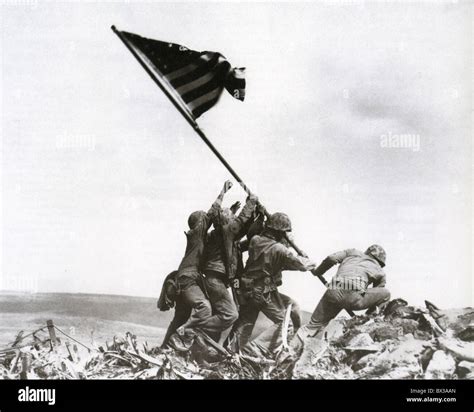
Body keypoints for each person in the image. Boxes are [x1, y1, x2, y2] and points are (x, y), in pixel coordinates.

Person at [229, 212, 317, 352]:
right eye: (284, 233)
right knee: (285, 323)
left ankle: (231, 351)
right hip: (262, 291)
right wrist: (310, 261)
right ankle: (255, 350)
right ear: (279, 232)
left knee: (247, 322)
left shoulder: (255, 240)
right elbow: (300, 265)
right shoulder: (279, 249)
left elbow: (277, 263)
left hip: (248, 289)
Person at [167, 181, 232, 350]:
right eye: (204, 220)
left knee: (181, 315)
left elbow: (217, 221)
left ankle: (167, 346)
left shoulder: (200, 237)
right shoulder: (196, 234)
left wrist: (231, 212)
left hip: (191, 278)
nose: (207, 221)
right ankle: (183, 334)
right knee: (204, 307)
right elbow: (211, 214)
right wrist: (223, 192)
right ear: (199, 223)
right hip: (187, 278)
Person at [297, 244, 390, 342]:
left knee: (311, 327)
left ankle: (288, 352)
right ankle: (366, 322)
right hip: (353, 297)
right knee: (386, 294)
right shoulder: (380, 271)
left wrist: (318, 272)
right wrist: (366, 316)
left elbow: (331, 258)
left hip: (333, 291)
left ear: (367, 252)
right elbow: (377, 294)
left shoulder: (352, 252)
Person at [200, 192, 259, 341]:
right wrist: (251, 203)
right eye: (232, 219)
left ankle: (207, 347)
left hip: (214, 280)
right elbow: (240, 223)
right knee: (230, 314)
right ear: (227, 222)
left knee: (218, 315)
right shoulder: (226, 232)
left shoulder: (219, 236)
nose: (234, 222)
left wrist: (255, 215)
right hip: (215, 280)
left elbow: (243, 230)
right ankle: (193, 329)